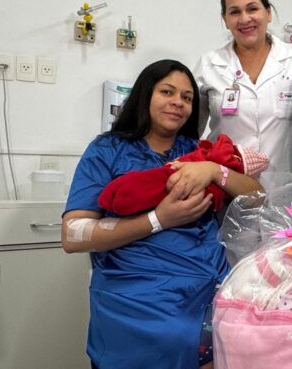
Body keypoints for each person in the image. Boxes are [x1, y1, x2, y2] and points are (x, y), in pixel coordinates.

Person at [62, 59, 263, 369]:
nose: (178, 102)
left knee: (249, 336)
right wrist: (158, 219)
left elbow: (257, 198)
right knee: (175, 338)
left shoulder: (198, 151)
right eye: (167, 92)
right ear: (145, 95)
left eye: (187, 97)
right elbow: (73, 235)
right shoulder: (107, 150)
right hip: (136, 288)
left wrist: (214, 170)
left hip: (208, 282)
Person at [194, 0, 292, 192]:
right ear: (225, 19)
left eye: (252, 9)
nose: (244, 18)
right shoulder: (209, 65)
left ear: (268, 13)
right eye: (234, 12)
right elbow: (189, 132)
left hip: (284, 190)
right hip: (226, 190)